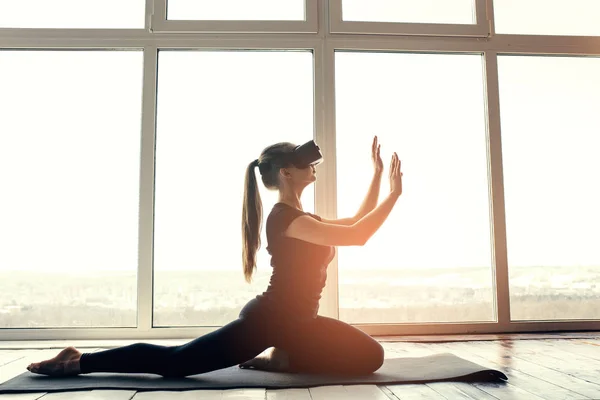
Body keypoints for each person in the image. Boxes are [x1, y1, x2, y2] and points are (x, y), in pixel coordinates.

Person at [27, 135, 403, 378]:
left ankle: (284, 357)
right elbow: (359, 235)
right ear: (288, 173)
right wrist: (394, 194)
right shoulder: (286, 219)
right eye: (307, 165)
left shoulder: (305, 219)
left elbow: (355, 221)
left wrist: (376, 175)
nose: (314, 168)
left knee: (370, 356)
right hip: (269, 322)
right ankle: (79, 360)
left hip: (300, 324)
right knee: (176, 363)